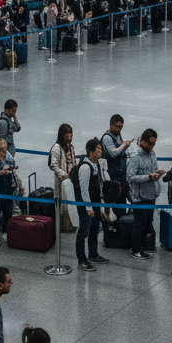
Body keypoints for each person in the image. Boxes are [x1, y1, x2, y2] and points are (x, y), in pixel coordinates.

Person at [75, 138, 110, 271]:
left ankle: (93, 254)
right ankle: (82, 259)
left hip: (94, 203)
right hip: (86, 206)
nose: (101, 151)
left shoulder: (96, 164)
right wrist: (88, 207)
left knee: (94, 230)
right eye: (98, 149)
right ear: (90, 152)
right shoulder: (85, 167)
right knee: (83, 231)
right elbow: (84, 189)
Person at [127, 129, 162, 259]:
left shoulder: (152, 154)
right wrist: (148, 176)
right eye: (150, 143)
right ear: (142, 142)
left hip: (151, 194)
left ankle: (144, 246)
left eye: (154, 143)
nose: (152, 146)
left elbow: (152, 170)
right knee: (139, 223)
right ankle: (136, 249)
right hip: (139, 197)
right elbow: (130, 177)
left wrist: (157, 174)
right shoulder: (135, 156)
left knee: (148, 221)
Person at [49, 123, 78, 234]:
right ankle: (62, 226)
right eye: (67, 132)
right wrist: (63, 174)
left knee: (70, 201)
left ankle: (71, 224)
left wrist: (74, 175)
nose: (69, 135)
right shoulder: (56, 148)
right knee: (62, 202)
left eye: (70, 132)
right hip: (62, 181)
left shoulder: (71, 147)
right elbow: (53, 165)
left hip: (71, 181)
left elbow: (73, 163)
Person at [102, 115, 133, 201]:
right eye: (117, 126)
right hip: (112, 173)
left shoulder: (118, 135)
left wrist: (125, 148)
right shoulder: (107, 137)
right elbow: (113, 154)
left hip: (121, 173)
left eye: (121, 127)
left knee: (123, 197)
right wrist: (124, 145)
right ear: (111, 125)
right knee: (116, 199)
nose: (119, 129)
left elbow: (119, 151)